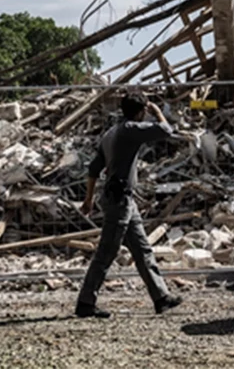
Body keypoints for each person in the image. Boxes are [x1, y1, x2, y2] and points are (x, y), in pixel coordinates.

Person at [75, 91, 183, 319]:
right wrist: (157, 112)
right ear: (141, 110)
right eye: (145, 110)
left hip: (123, 199)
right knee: (106, 251)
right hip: (120, 200)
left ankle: (161, 297)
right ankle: (85, 302)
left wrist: (89, 199)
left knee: (142, 249)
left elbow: (94, 169)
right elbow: (167, 131)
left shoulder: (110, 133)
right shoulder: (130, 129)